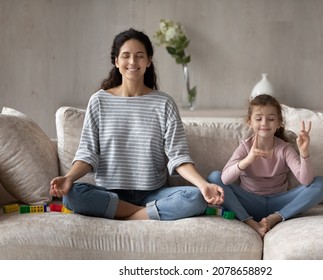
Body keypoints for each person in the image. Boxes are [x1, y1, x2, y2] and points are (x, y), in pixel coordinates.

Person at [50, 28, 223, 221]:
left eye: (139, 56)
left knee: (196, 197)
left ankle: (121, 213)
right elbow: (87, 154)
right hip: (111, 193)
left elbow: (178, 157)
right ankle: (148, 213)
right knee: (73, 194)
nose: (132, 62)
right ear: (116, 61)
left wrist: (203, 185)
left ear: (148, 61)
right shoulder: (98, 101)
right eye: (126, 56)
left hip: (152, 194)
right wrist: (68, 179)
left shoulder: (164, 103)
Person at [207, 94, 323, 237]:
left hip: (280, 202)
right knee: (214, 177)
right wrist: (249, 159)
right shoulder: (245, 147)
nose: (264, 123)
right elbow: (225, 180)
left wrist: (304, 153)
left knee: (322, 183)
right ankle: (249, 222)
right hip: (249, 202)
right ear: (250, 122)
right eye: (258, 118)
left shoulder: (285, 148)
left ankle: (276, 218)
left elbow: (306, 181)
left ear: (279, 123)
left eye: (271, 119)